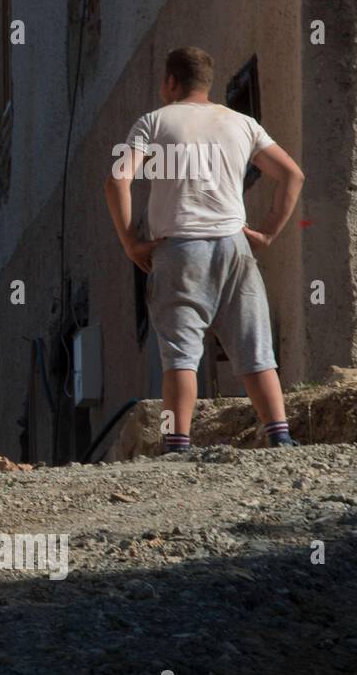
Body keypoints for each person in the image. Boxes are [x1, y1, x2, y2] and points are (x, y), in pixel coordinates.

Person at [104, 46, 304, 452]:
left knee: (180, 353)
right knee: (255, 348)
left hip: (180, 251)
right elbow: (291, 175)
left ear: (170, 82)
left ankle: (177, 442)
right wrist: (265, 234)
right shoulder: (242, 123)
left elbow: (117, 181)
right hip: (235, 247)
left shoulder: (155, 122)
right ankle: (279, 434)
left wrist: (130, 242)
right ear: (208, 83)